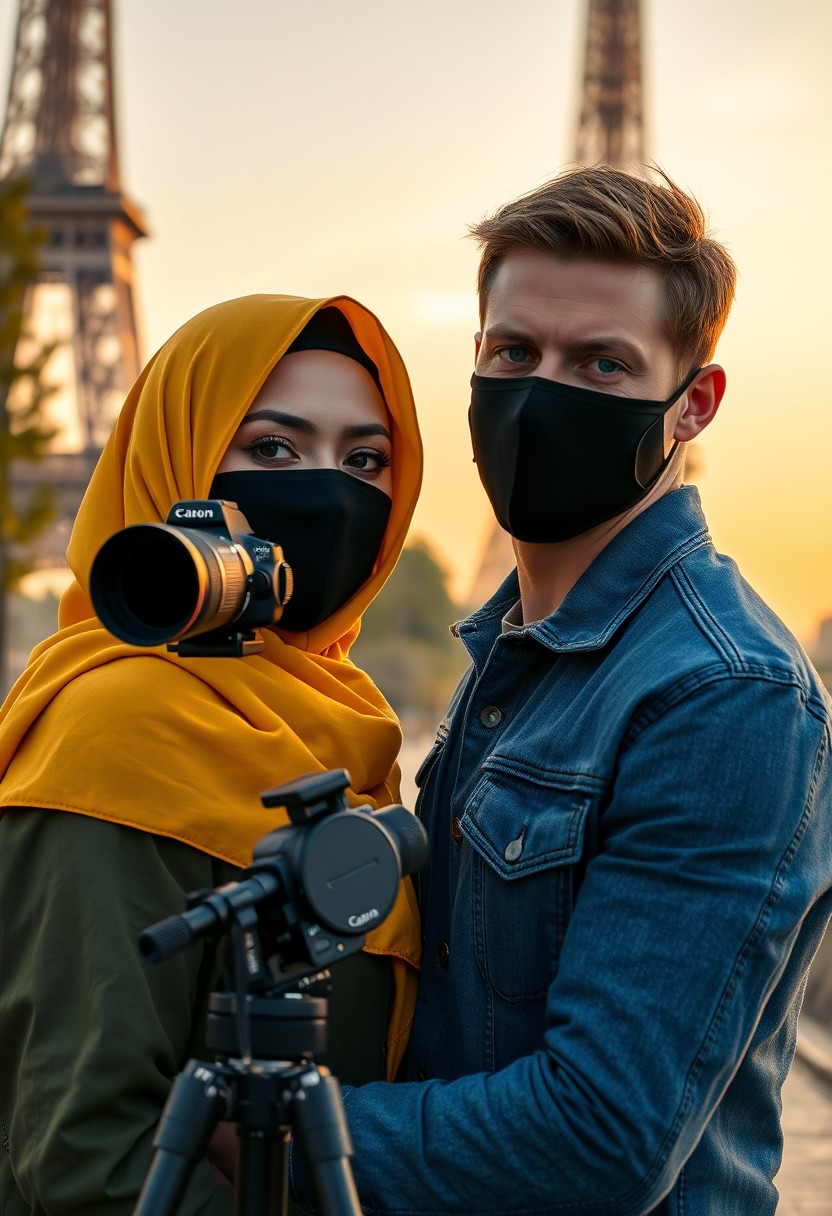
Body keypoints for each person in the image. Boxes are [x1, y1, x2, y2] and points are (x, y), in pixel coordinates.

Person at [296, 167, 832, 1214]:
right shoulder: (517, 654)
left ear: (694, 405)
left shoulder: (724, 694)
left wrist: (283, 1129)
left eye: (601, 362)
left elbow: (599, 1137)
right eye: (513, 352)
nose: (541, 393)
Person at [0, 293, 423, 1214]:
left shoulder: (346, 725)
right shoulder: (113, 730)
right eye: (273, 448)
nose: (329, 490)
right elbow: (83, 1156)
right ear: (175, 462)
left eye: (365, 459)